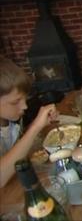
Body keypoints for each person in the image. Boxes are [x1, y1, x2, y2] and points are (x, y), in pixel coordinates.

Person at [0, 56, 58, 188]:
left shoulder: (7, 121)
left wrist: (42, 123)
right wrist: (36, 127)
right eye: (15, 102)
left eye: (24, 99)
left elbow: (16, 148)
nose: (24, 106)